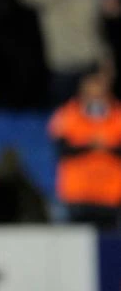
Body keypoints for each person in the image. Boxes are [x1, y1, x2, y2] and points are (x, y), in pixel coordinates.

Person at [48, 68, 121, 230]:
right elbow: (62, 150)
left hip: (111, 196)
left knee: (111, 250)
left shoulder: (118, 116)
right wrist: (91, 145)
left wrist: (105, 146)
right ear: (82, 90)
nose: (95, 95)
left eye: (99, 90)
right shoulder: (67, 115)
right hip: (76, 197)